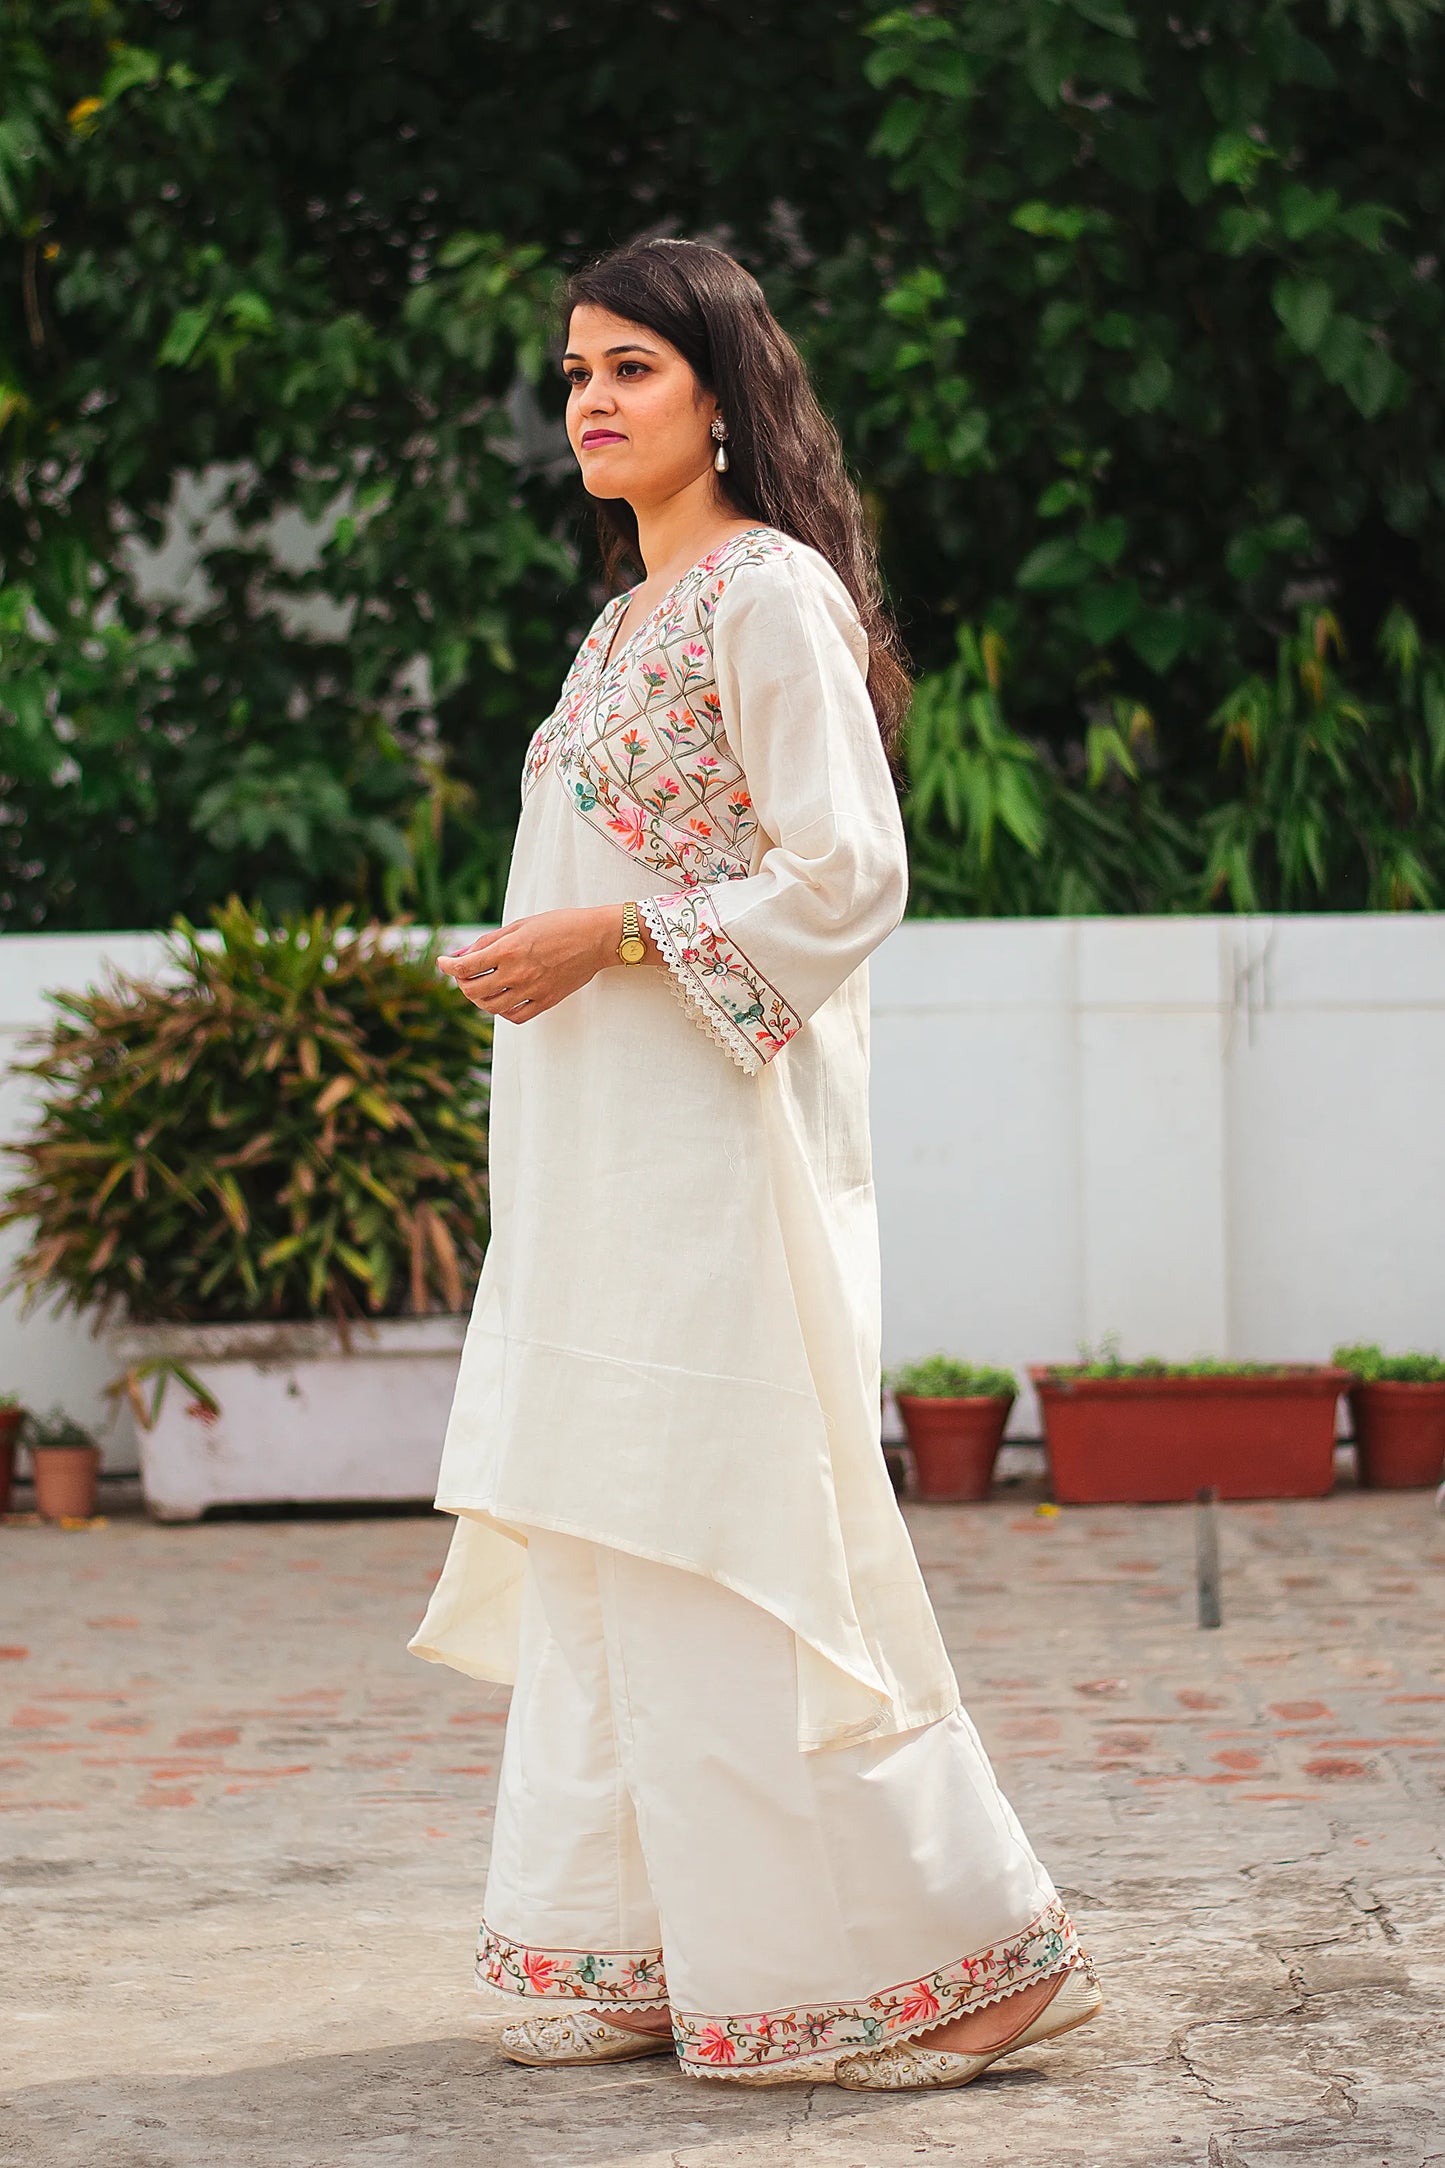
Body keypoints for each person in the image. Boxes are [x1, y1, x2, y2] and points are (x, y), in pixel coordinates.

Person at [408, 236, 1101, 2091]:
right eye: (572, 374)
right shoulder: (624, 618)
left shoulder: (764, 595)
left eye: (630, 366)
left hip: (709, 1156)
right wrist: (544, 952)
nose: (591, 403)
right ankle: (652, 1941)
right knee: (615, 1516)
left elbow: (847, 871)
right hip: (597, 1160)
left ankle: (919, 1956)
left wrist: (606, 943)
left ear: (721, 386)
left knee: (720, 1515)